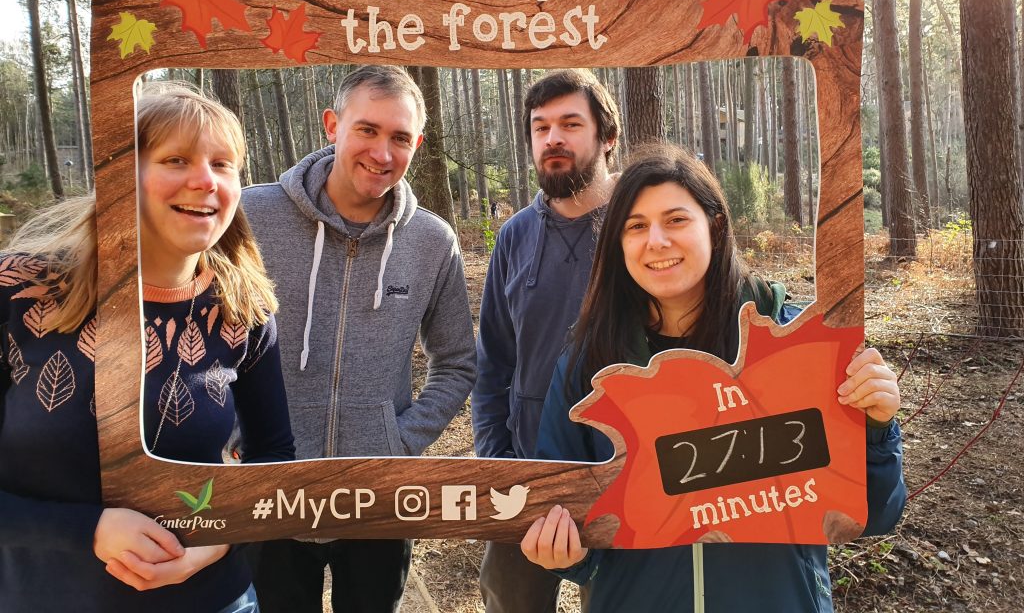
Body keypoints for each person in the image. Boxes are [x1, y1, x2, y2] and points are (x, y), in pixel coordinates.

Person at [520, 144, 907, 612]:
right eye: (636, 226)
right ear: (618, 244)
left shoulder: (795, 343)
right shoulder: (588, 366)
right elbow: (570, 519)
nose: (656, 241)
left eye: (676, 219)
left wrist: (876, 425)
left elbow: (878, 511)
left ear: (715, 225)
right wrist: (567, 555)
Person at [0, 81, 295, 613]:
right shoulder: (19, 295)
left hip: (213, 601)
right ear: (119, 174)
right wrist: (85, 529)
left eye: (223, 164)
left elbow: (272, 458)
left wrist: (219, 538)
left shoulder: (243, 311)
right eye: (176, 159)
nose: (204, 180)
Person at [242, 65, 476, 613]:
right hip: (267, 486)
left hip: (379, 495)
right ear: (333, 125)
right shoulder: (251, 216)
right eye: (367, 130)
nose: (383, 152)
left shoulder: (430, 241)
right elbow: (203, 339)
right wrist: (234, 432)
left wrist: (399, 443)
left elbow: (458, 362)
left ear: (417, 144)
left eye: (400, 138)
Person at [472, 68, 620, 612]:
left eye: (570, 124)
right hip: (526, 476)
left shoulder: (639, 225)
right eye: (540, 127)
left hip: (621, 473)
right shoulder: (514, 235)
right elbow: (493, 365)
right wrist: (498, 464)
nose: (552, 138)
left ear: (607, 136)